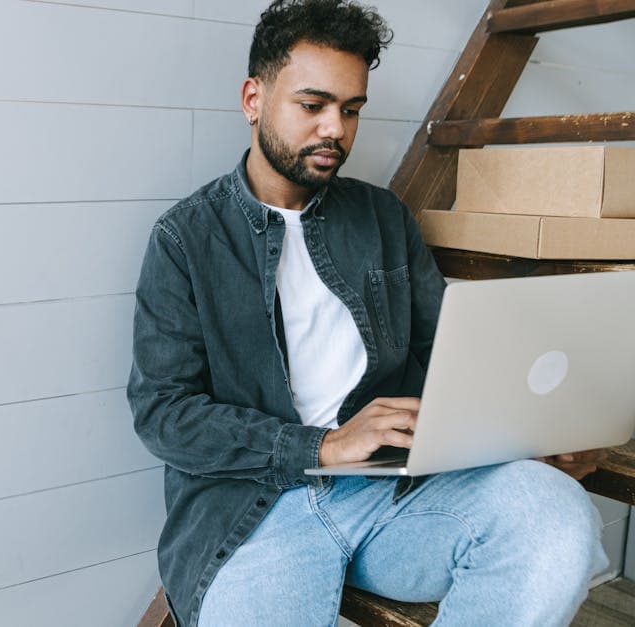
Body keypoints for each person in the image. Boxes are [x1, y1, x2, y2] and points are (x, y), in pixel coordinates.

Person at [126, 1, 607, 625]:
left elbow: (450, 356)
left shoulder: (384, 220)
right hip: (257, 512)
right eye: (313, 105)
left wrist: (536, 434)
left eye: (351, 110)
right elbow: (164, 413)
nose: (336, 129)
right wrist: (322, 446)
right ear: (253, 98)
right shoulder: (186, 239)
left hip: (397, 498)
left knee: (555, 516)